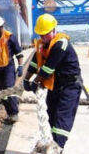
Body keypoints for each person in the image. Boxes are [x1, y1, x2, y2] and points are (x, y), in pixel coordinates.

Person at [22, 13, 82, 146]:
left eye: (46, 34)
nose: (43, 37)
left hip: (70, 86)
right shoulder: (41, 45)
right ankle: (51, 145)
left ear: (54, 30)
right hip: (55, 85)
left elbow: (48, 69)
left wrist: (35, 81)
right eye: (41, 34)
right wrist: (26, 79)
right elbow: (34, 64)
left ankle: (57, 149)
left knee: (62, 119)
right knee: (51, 116)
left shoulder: (61, 44)